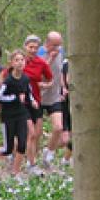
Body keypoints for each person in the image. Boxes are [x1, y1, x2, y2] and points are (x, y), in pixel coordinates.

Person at [0, 50, 36, 176]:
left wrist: (32, 101)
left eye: (22, 60)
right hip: (8, 117)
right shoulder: (8, 81)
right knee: (7, 148)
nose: (20, 63)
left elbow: (28, 93)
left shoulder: (26, 79)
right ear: (12, 63)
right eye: (17, 60)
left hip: (21, 114)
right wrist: (15, 98)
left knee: (22, 144)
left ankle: (15, 173)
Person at [22, 35, 53, 175]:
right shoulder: (19, 62)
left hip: (36, 101)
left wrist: (44, 85)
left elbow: (50, 79)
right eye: (31, 47)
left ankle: (29, 158)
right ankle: (31, 164)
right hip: (22, 103)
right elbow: (5, 76)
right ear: (25, 47)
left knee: (37, 134)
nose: (33, 50)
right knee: (31, 134)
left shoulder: (41, 63)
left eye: (36, 47)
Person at [39, 32, 66, 168]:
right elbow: (39, 73)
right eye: (55, 45)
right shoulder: (39, 53)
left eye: (59, 45)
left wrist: (63, 87)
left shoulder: (61, 52)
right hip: (39, 97)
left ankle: (48, 153)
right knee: (35, 133)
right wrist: (50, 58)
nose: (58, 48)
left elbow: (60, 71)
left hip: (54, 96)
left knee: (58, 127)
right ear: (47, 44)